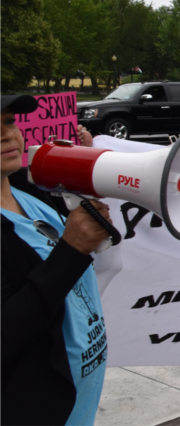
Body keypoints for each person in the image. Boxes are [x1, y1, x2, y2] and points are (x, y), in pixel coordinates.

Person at [1, 95, 117, 425]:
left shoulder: (28, 189)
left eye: (9, 122)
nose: (7, 134)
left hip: (76, 394)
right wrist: (72, 250)